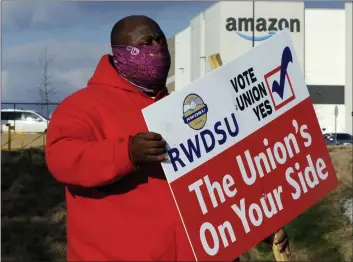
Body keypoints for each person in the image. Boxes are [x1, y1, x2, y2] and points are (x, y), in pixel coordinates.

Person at [45, 15, 290, 261]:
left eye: (160, 40)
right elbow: (62, 159)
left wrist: (253, 222)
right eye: (146, 42)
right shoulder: (82, 106)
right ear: (119, 53)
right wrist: (126, 153)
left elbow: (215, 185)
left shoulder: (184, 108)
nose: (156, 48)